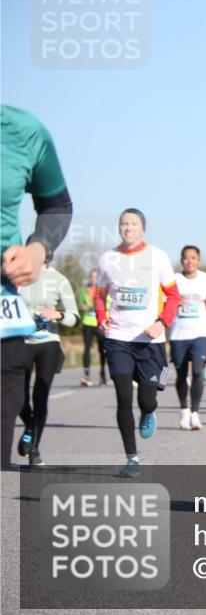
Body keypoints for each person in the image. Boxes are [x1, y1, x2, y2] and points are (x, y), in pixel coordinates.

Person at [1, 104, 73, 470]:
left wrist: (37, 248)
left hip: (10, 320)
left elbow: (57, 205)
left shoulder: (23, 131)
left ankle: (33, 434)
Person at [94, 208, 180, 477]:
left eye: (133, 224)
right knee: (122, 396)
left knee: (148, 399)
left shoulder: (158, 256)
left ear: (143, 229)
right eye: (123, 223)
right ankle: (132, 457)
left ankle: (148, 412)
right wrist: (101, 317)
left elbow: (174, 296)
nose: (128, 228)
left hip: (149, 339)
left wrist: (161, 323)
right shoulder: (107, 258)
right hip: (118, 337)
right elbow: (99, 295)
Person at [18, 262, 79, 466]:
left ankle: (35, 450)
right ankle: (29, 425)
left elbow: (74, 317)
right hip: (21, 342)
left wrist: (58, 314)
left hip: (48, 343)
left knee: (40, 396)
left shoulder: (59, 279)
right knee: (17, 396)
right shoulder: (15, 276)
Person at [169, 245, 206, 431]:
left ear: (199, 261)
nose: (190, 261)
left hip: (200, 332)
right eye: (186, 258)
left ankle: (195, 412)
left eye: (193, 258)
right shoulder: (174, 279)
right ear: (182, 261)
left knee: (198, 371)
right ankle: (184, 410)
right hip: (179, 333)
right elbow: (163, 299)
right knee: (181, 374)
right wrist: (173, 301)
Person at [78, 269, 107, 386]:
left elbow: (109, 303)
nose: (93, 278)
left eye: (95, 276)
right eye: (92, 276)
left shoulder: (103, 289)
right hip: (88, 322)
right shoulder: (84, 289)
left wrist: (99, 308)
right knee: (87, 349)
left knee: (102, 350)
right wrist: (83, 306)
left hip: (100, 323)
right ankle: (86, 375)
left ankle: (103, 373)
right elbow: (80, 304)